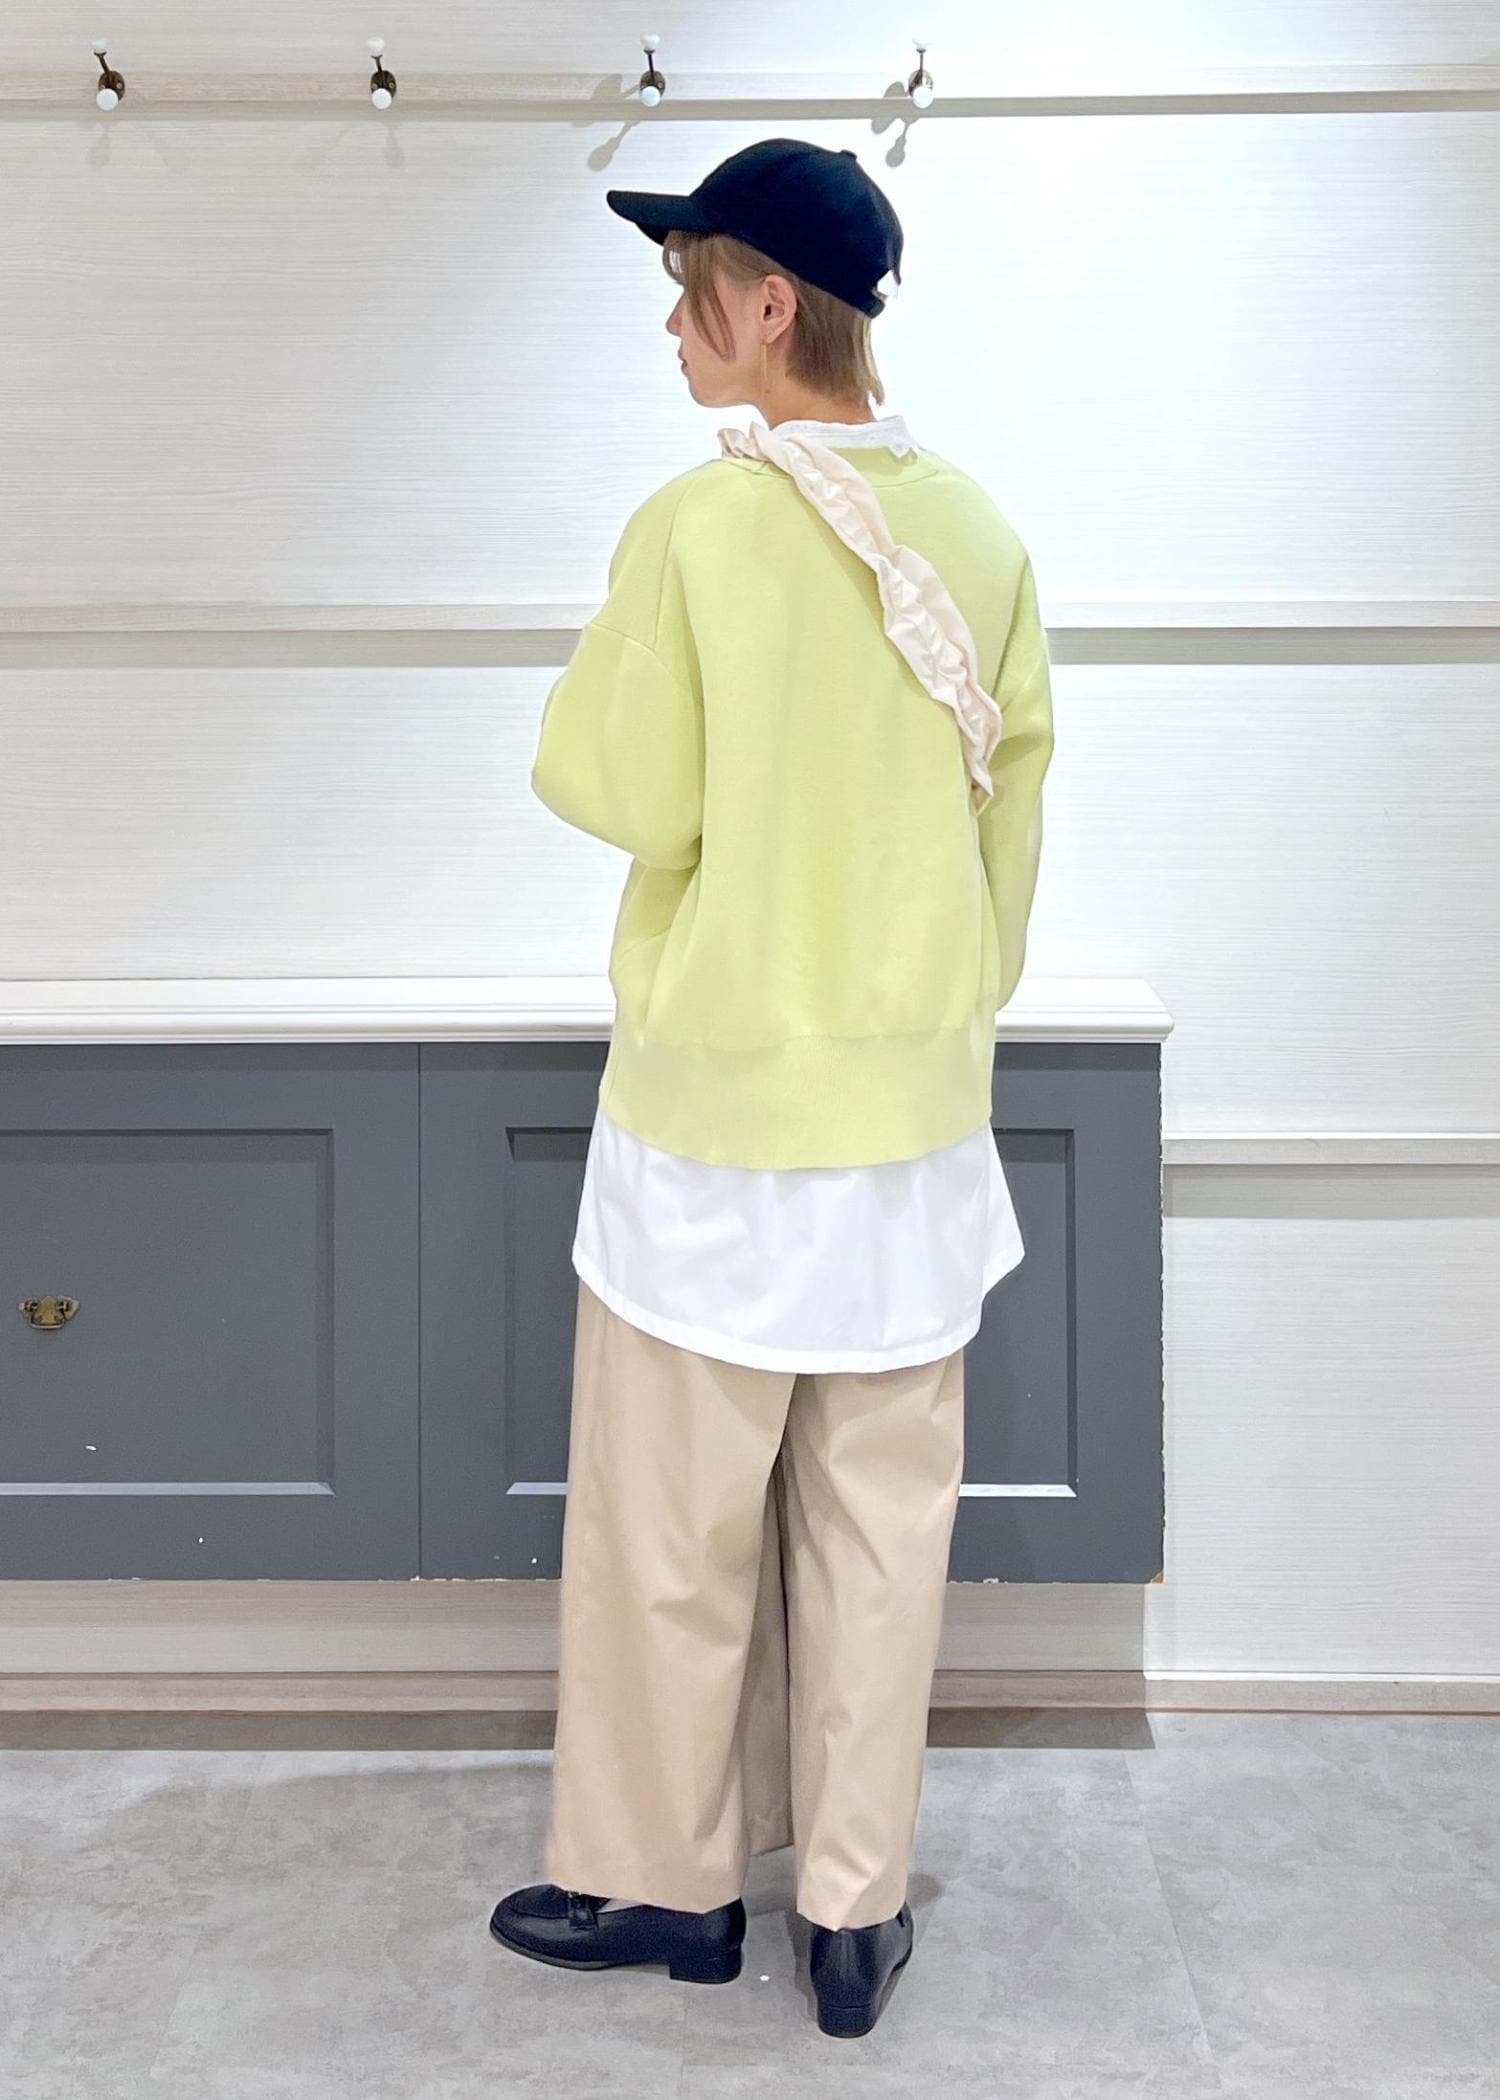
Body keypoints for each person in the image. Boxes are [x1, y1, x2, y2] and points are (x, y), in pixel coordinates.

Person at [488, 137, 1054, 2040]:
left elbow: (622, 790)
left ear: (765, 303)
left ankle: (668, 1891)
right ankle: (853, 1914)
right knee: (881, 1538)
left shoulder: (699, 530)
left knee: (675, 1534)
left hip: (718, 1125)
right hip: (908, 1126)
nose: (671, 329)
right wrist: (931, 1009)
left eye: (686, 291)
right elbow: (1011, 833)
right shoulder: (982, 535)